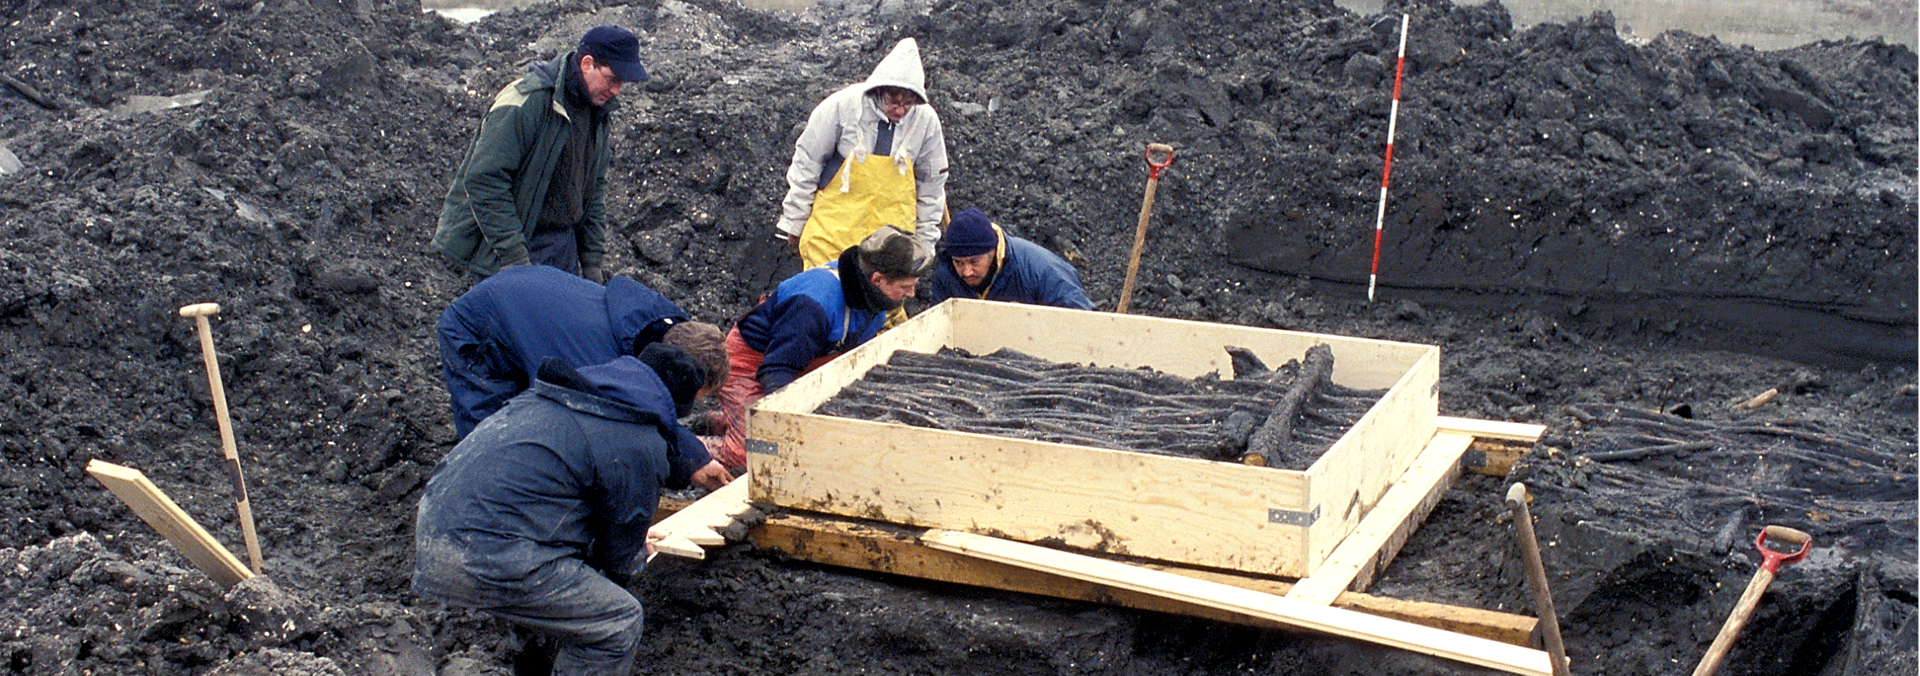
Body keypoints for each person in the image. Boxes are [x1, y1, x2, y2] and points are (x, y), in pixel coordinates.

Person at [412, 352, 732, 676]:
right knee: (616, 622)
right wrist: (633, 546)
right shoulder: (635, 441)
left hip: (438, 525)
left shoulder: (563, 398)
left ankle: (531, 667)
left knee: (553, 603)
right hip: (488, 553)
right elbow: (620, 561)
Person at [433, 25, 650, 282]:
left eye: (621, 84)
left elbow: (594, 191)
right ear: (587, 64)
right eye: (612, 80)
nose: (616, 91)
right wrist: (514, 258)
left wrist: (591, 261)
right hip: (512, 245)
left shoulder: (598, 114)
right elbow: (484, 180)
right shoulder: (526, 102)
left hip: (561, 247)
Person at [715, 226, 932, 467]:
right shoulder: (813, 305)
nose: (911, 294)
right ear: (877, 279)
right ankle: (706, 450)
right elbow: (775, 371)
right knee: (762, 454)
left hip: (810, 355)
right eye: (904, 287)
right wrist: (800, 425)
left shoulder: (873, 297)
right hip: (752, 363)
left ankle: (728, 420)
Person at [436, 264, 727, 440]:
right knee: (490, 438)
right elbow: (602, 428)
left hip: (523, 303)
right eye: (688, 395)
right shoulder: (598, 363)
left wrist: (693, 459)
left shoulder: (648, 324)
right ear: (675, 367)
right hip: (478, 326)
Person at [775, 38, 949, 271]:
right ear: (879, 91)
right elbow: (808, 160)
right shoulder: (841, 107)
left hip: (892, 243)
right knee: (826, 296)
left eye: (907, 103)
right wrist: (794, 220)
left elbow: (932, 186)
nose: (900, 110)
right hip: (834, 232)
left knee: (884, 301)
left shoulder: (926, 122)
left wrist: (925, 245)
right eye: (893, 101)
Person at [927, 207, 1095, 311]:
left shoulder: (1041, 270)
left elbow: (1081, 319)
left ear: (993, 251)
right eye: (959, 262)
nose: (967, 271)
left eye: (974, 262)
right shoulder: (946, 274)